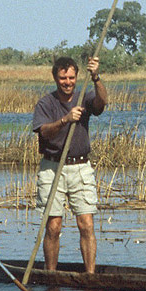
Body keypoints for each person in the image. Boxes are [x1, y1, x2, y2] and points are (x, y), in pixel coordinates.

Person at [32, 56, 107, 273]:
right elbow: (43, 131)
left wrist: (96, 77)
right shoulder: (46, 103)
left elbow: (102, 103)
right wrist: (66, 119)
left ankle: (90, 276)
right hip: (52, 167)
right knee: (54, 227)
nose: (68, 82)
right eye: (63, 78)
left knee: (87, 224)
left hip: (81, 168)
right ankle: (51, 275)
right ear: (55, 78)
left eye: (72, 77)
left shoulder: (85, 96)